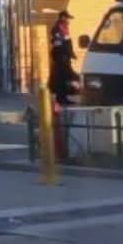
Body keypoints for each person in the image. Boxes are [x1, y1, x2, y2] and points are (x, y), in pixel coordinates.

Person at [48, 10, 80, 159]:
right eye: (67, 18)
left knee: (65, 78)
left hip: (65, 56)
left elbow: (68, 42)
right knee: (62, 78)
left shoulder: (64, 28)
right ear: (62, 17)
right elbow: (58, 44)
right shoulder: (57, 29)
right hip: (61, 57)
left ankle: (64, 97)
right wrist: (65, 54)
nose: (68, 21)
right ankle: (61, 97)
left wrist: (71, 53)